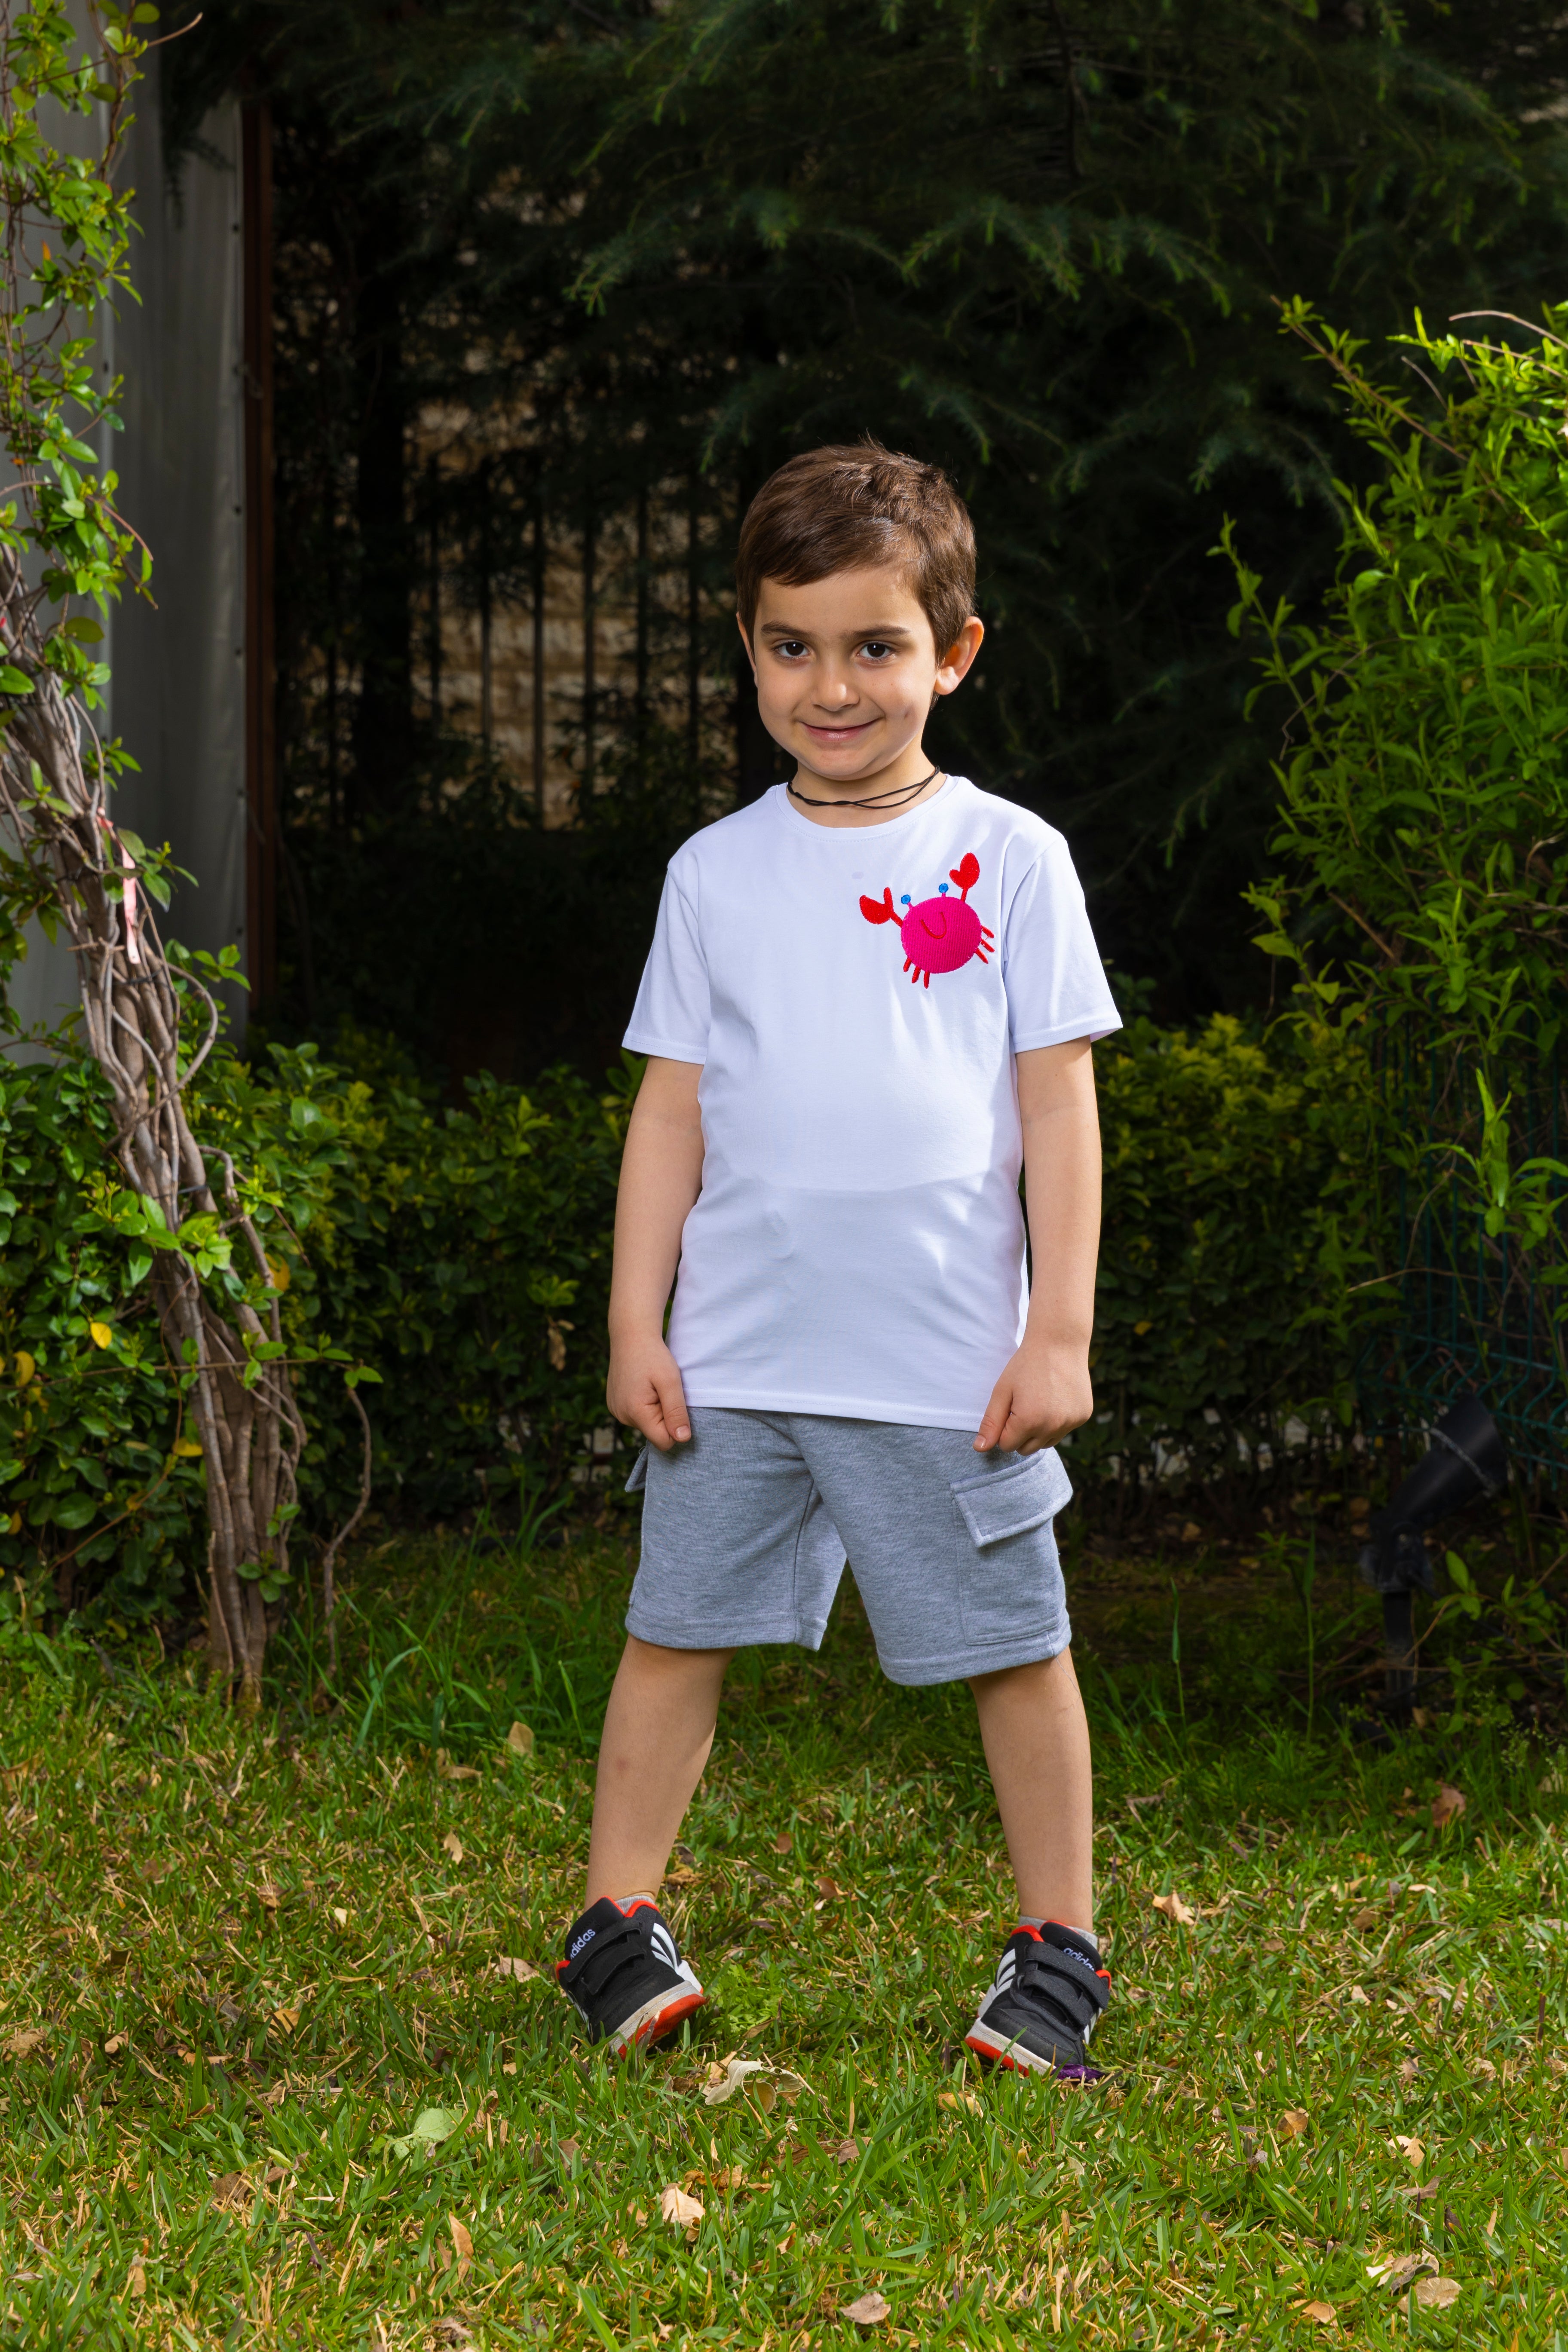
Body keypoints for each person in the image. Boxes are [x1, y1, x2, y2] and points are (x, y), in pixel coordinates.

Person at [554, 441, 1120, 2076]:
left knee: (1014, 1647)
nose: (833, 686)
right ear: (748, 648)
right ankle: (613, 1924)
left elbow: (1059, 1104)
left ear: (955, 652)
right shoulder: (714, 874)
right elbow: (672, 1113)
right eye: (792, 646)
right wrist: (636, 1321)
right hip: (737, 1359)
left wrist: (1060, 1331)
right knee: (675, 1630)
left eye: (876, 646)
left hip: (949, 1370)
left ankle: (1059, 1950)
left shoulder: (1013, 858)